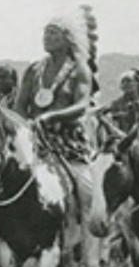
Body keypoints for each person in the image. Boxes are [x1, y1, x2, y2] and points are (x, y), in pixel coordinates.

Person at [13, 13, 97, 227]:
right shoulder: (34, 69)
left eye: (53, 33)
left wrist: (52, 116)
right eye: (45, 33)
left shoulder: (79, 69)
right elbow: (20, 104)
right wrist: (24, 126)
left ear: (67, 38)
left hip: (68, 141)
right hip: (34, 138)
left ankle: (91, 253)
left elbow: (81, 105)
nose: (46, 37)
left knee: (87, 192)